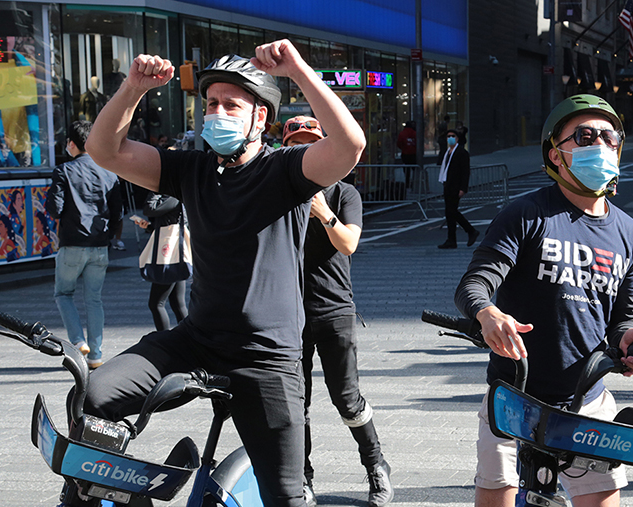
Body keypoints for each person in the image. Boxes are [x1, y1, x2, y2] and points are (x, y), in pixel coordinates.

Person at [82, 39, 365, 507]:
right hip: (196, 339)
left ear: (261, 118)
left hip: (266, 357)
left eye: (232, 104)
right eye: (211, 103)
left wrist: (297, 70)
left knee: (286, 496)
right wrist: (133, 87)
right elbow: (104, 150)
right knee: (96, 395)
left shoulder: (286, 170)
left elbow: (349, 146)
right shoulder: (191, 169)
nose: (218, 113)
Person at [455, 95, 633, 507]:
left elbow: (624, 316)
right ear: (556, 153)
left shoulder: (631, 233)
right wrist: (488, 313)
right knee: (496, 496)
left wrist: (629, 341)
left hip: (589, 399)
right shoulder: (526, 214)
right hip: (514, 398)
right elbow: (473, 285)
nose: (599, 144)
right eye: (584, 136)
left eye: (608, 136)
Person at [281, 116, 393, 507]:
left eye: (311, 143)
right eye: (295, 143)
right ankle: (303, 478)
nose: (304, 150)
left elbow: (348, 244)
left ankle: (376, 465)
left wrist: (323, 212)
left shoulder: (344, 194)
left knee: (347, 399)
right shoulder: (278, 195)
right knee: (296, 403)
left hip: (333, 311)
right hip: (287, 315)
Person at [46, 120, 123, 370]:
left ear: (71, 144)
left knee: (63, 293)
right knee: (94, 299)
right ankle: (96, 356)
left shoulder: (63, 171)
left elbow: (54, 209)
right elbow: (117, 213)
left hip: (71, 243)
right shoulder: (110, 173)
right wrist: (110, 235)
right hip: (100, 245)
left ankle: (78, 341)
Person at [137, 192, 189, 331]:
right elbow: (167, 222)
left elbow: (150, 209)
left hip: (168, 255)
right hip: (174, 253)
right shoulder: (176, 196)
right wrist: (148, 227)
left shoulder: (172, 196)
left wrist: (154, 191)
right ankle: (191, 338)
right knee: (178, 303)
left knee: (156, 304)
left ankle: (164, 339)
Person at [438, 129, 479, 249]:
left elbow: (465, 172)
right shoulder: (448, 153)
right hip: (448, 185)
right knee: (449, 213)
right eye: (448, 136)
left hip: (456, 187)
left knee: (452, 211)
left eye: (453, 136)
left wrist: (463, 188)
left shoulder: (462, 153)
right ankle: (452, 239)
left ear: (457, 138)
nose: (450, 138)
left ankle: (470, 230)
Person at [396, 120, 417, 190]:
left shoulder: (402, 133)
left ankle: (407, 183)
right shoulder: (415, 133)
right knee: (415, 169)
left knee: (407, 170)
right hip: (414, 154)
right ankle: (415, 183)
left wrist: (403, 148)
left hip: (405, 154)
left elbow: (399, 143)